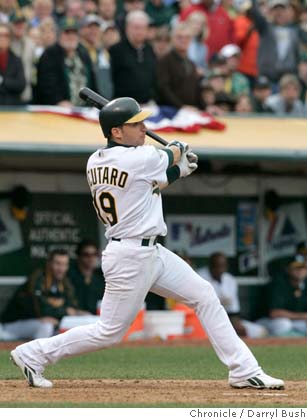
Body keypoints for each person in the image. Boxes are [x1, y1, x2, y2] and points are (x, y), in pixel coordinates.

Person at [10, 96, 284, 391]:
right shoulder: (139, 157)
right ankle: (32, 354)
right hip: (130, 255)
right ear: (116, 132)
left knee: (204, 295)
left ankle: (243, 369)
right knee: (110, 332)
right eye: (135, 124)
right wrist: (179, 152)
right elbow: (169, 154)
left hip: (151, 251)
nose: (144, 128)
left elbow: (146, 185)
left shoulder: (97, 160)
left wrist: (179, 170)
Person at [1, 249, 81, 340]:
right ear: (49, 263)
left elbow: (72, 305)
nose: (61, 268)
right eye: (58, 263)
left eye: (64, 264)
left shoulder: (65, 282)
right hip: (13, 325)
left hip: (38, 324)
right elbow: (41, 309)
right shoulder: (37, 278)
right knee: (47, 326)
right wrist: (65, 311)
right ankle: (36, 353)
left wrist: (73, 312)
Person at [198, 252, 268, 338]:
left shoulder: (230, 280)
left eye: (222, 266)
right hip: (206, 320)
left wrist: (236, 324)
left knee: (261, 332)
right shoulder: (200, 277)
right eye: (217, 266)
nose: (220, 270)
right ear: (210, 266)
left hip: (228, 319)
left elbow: (234, 310)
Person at [35, 17, 96, 106]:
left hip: (85, 110)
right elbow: (46, 85)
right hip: (59, 111)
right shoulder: (49, 54)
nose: (71, 36)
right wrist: (58, 101)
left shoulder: (84, 54)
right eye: (67, 33)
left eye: (74, 33)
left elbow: (93, 83)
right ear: (59, 35)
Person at [109, 10, 156, 104]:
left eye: (143, 28)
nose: (139, 32)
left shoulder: (150, 49)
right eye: (136, 27)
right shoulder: (116, 50)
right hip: (123, 105)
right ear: (127, 28)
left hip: (147, 104)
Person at [156, 22, 202, 110]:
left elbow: (196, 89)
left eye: (187, 37)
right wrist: (181, 107)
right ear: (172, 39)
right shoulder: (164, 61)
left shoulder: (191, 63)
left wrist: (206, 107)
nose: (184, 40)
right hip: (170, 111)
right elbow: (163, 89)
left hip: (189, 111)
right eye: (179, 37)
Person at [258, 255, 307, 336]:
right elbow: (274, 313)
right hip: (267, 321)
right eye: (296, 268)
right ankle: (272, 344)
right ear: (288, 269)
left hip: (296, 321)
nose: (300, 270)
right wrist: (302, 316)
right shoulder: (278, 284)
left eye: (303, 267)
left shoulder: (305, 285)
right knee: (284, 324)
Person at [69, 239, 105, 314]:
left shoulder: (101, 277)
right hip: (74, 319)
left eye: (94, 254)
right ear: (78, 256)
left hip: (97, 319)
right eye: (86, 255)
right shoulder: (68, 277)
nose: (91, 258)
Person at [0, 22, 26, 105]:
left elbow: (21, 85)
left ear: (10, 38)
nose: (2, 38)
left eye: (6, 35)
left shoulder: (16, 60)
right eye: (0, 35)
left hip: (13, 108)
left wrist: (2, 81)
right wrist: (10, 84)